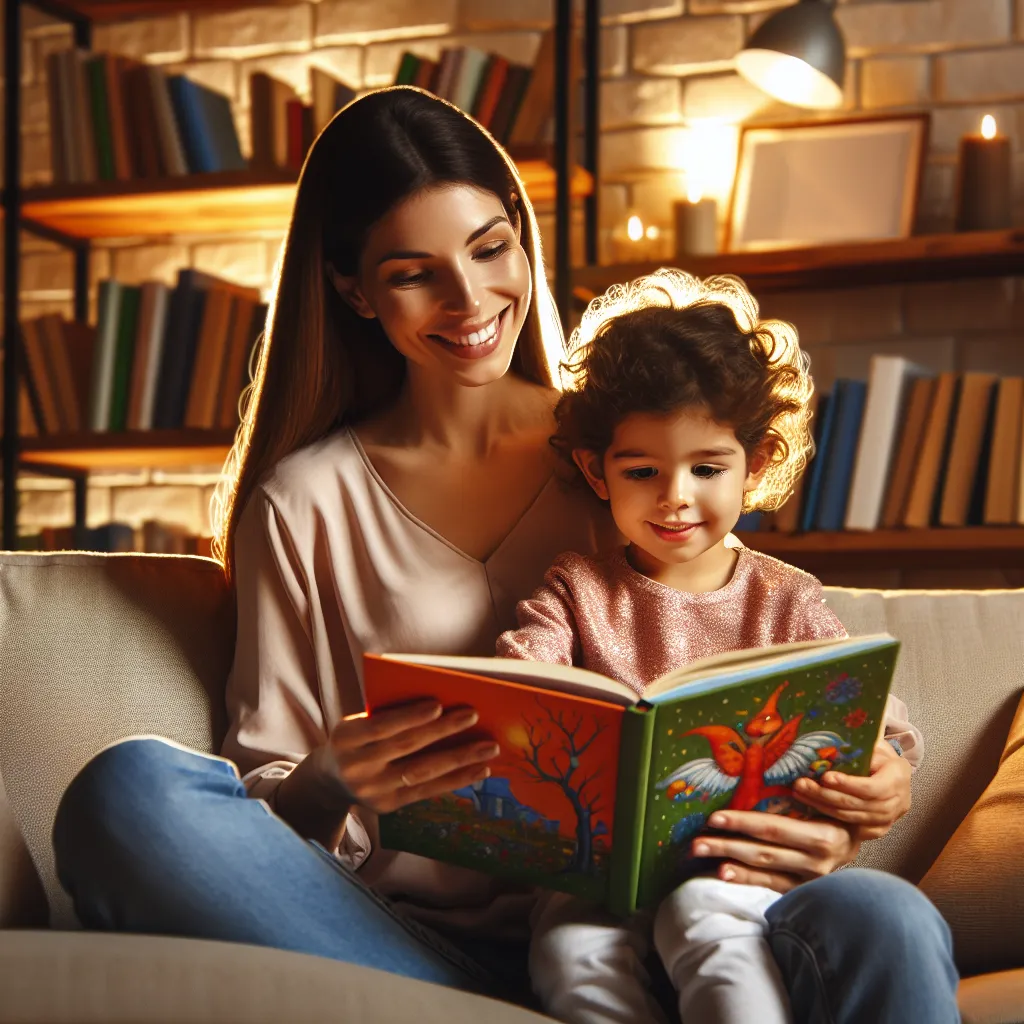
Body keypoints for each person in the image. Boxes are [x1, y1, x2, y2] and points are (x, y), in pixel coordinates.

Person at [50, 88, 959, 1023]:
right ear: (354, 290)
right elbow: (269, 792)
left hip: (667, 934)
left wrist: (860, 797)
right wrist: (330, 778)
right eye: (414, 273)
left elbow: (750, 651)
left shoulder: (633, 452)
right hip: (399, 949)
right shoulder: (304, 502)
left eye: (491, 248)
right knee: (129, 795)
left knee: (881, 913)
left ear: (523, 238)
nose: (470, 299)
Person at [493, 269, 930, 1024]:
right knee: (566, 953)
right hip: (599, 875)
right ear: (597, 471)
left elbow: (867, 714)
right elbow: (519, 681)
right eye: (642, 471)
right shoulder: (576, 588)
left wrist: (888, 761)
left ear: (754, 464)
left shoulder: (784, 597)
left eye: (706, 468)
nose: (674, 497)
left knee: (704, 919)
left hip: (735, 865)